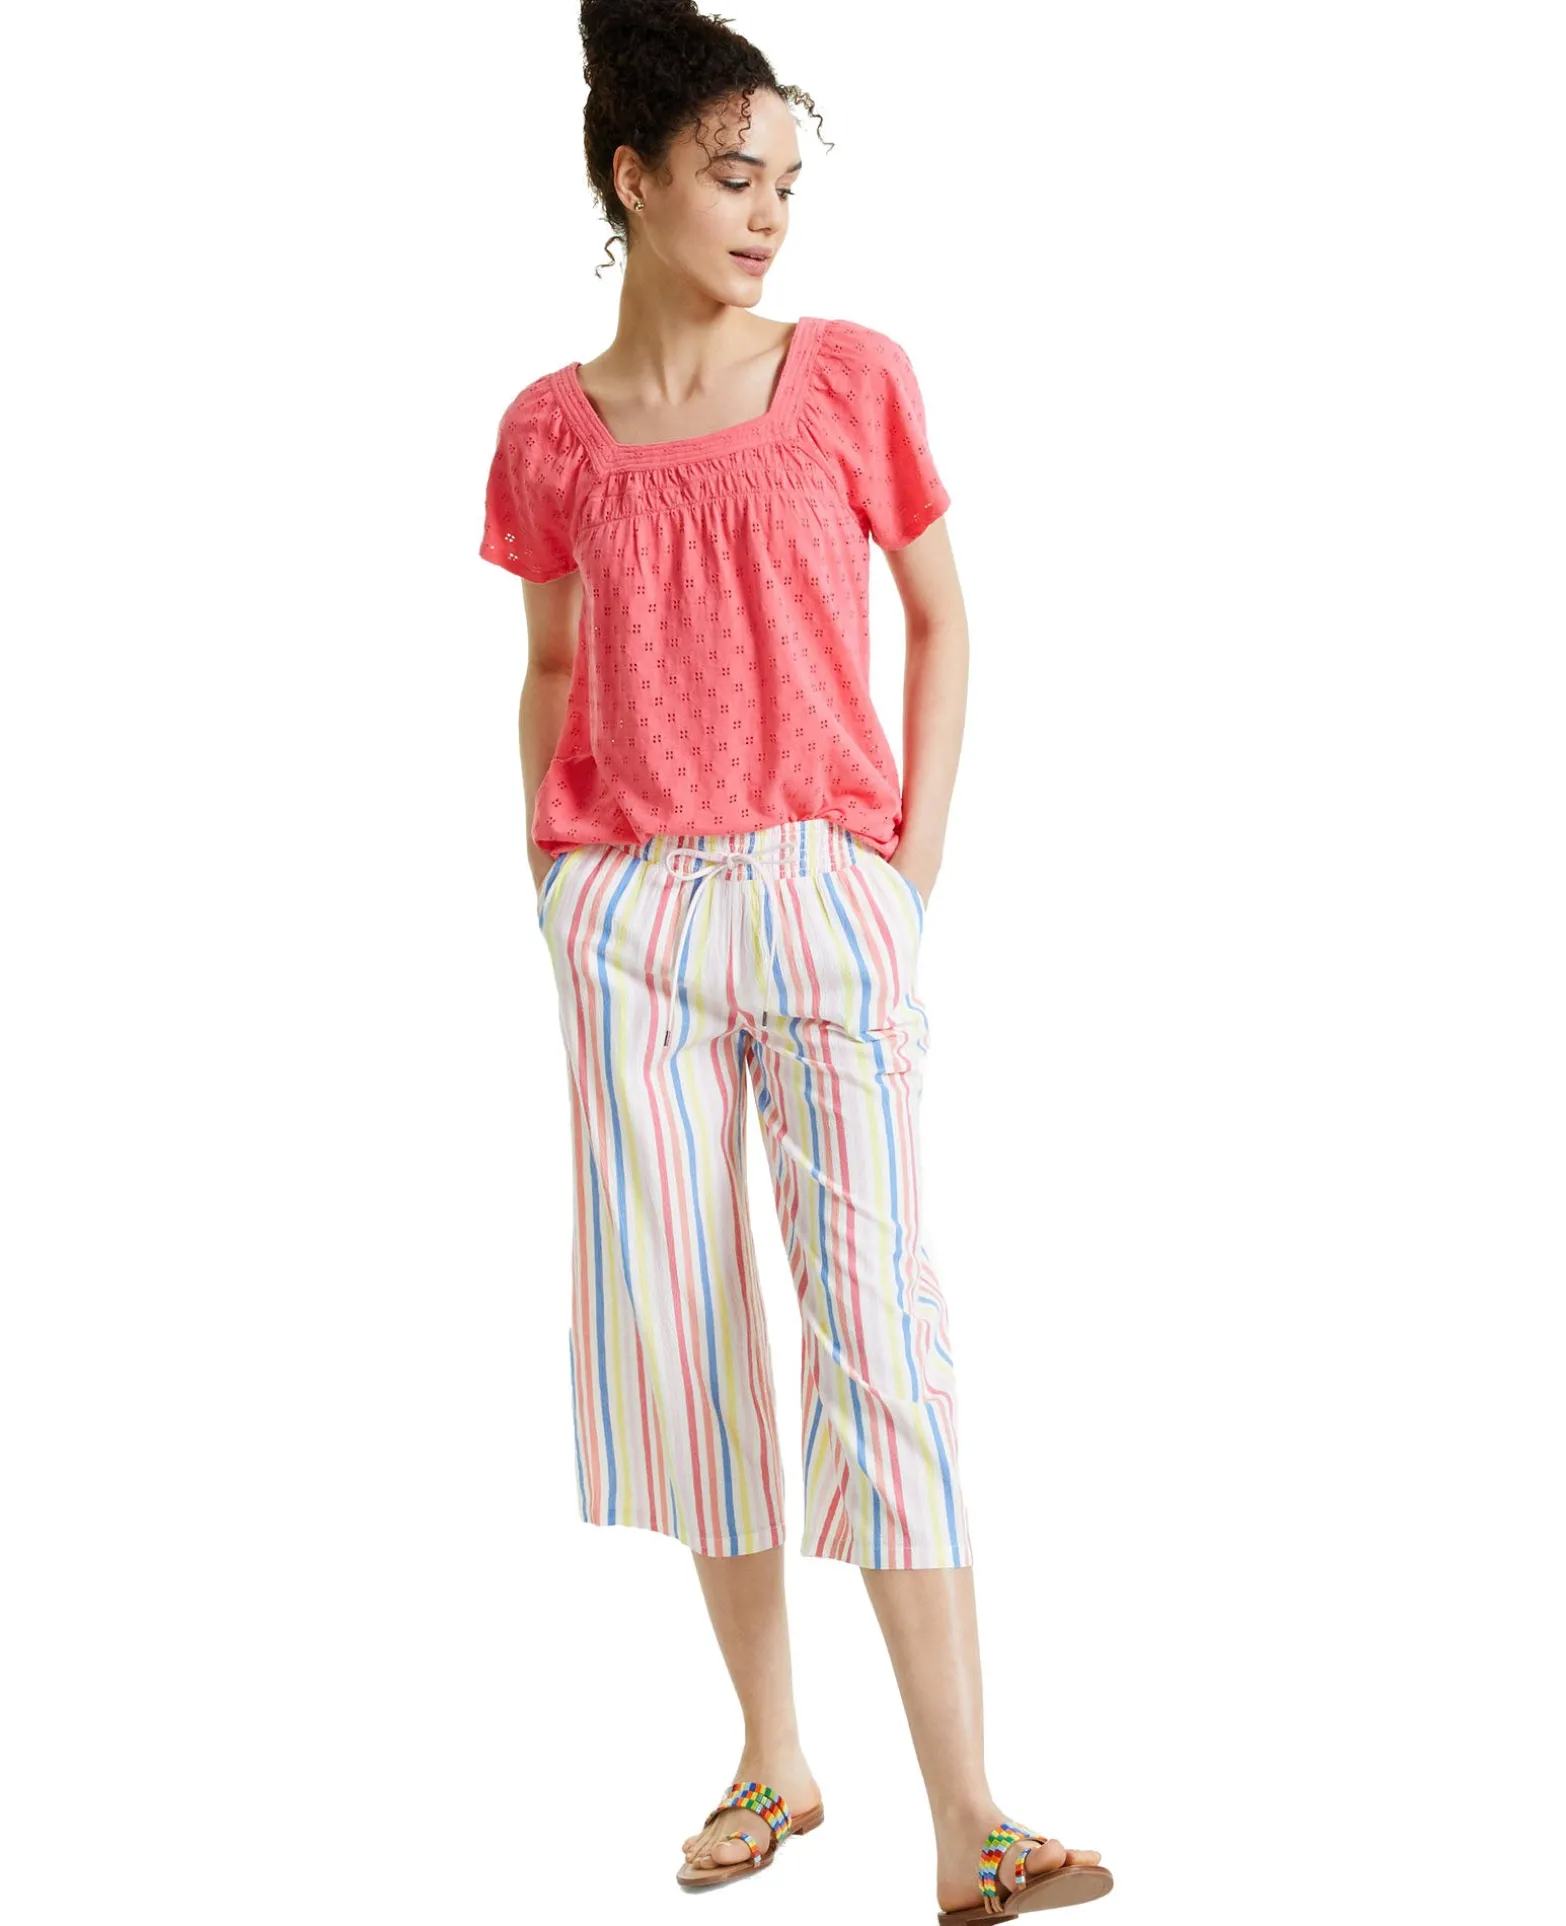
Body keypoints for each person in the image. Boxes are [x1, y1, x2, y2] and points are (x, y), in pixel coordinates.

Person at [478, 2, 1112, 1915]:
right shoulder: (550, 430)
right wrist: (557, 885)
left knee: (882, 1334)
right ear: (632, 179)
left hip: (824, 891)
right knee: (682, 1337)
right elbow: (548, 668)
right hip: (632, 922)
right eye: (728, 178)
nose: (765, 216)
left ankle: (969, 1815)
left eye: (782, 185)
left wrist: (902, 876)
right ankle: (771, 1751)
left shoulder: (846, 376)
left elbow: (942, 619)